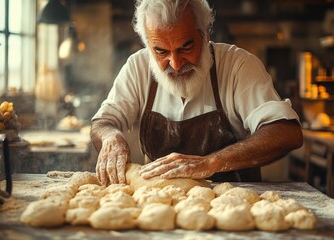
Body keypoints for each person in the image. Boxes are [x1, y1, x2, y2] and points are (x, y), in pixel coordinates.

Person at [91, 0, 303, 186]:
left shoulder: (238, 65)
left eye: (186, 47)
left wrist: (209, 163)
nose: (175, 63)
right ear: (147, 44)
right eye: (161, 51)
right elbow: (102, 123)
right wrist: (110, 136)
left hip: (232, 205)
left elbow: (286, 133)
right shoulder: (137, 67)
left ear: (206, 32)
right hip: (158, 205)